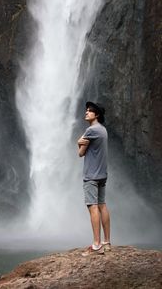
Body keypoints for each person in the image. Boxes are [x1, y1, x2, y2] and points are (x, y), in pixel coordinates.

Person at [78, 101, 111, 255]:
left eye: (90, 111)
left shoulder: (91, 130)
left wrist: (79, 142)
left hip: (91, 175)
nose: (86, 112)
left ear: (96, 114)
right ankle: (107, 241)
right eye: (86, 110)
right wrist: (80, 142)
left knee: (93, 208)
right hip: (102, 175)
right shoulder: (103, 130)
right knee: (102, 205)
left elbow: (80, 153)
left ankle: (96, 244)